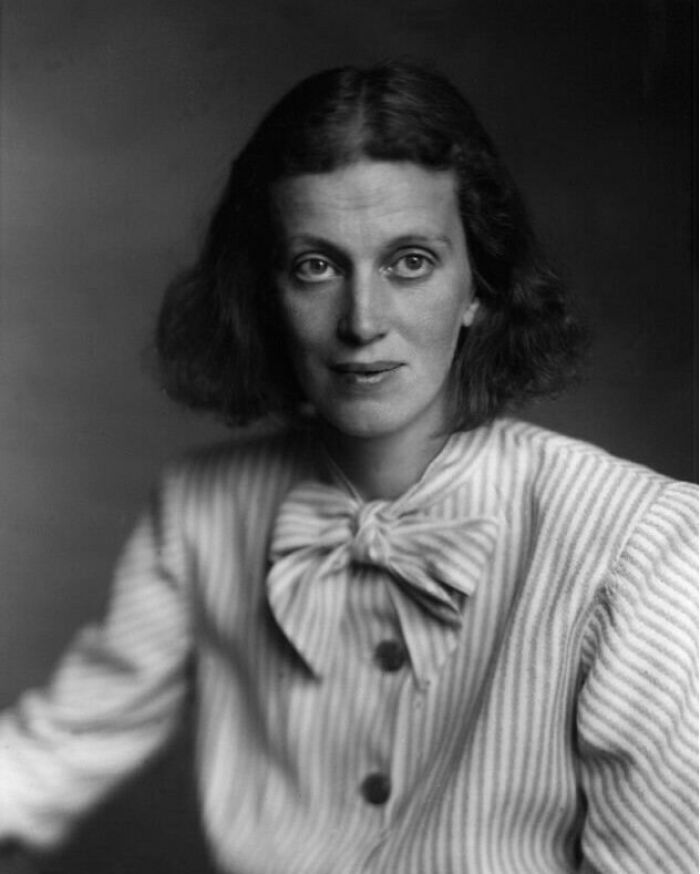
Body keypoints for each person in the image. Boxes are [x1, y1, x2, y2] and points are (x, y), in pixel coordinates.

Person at [0, 61, 696, 874]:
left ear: (479, 286)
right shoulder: (202, 508)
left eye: (409, 262)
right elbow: (61, 745)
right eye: (316, 266)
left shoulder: (644, 546)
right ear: (266, 292)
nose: (362, 321)